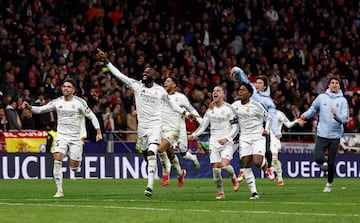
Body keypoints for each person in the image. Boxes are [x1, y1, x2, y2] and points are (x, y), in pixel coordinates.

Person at [96, 48, 193, 197]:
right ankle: (177, 172)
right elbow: (119, 75)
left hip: (156, 127)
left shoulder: (160, 90)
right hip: (142, 129)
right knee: (147, 156)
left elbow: (172, 104)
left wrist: (184, 113)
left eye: (148, 72)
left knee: (152, 152)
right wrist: (107, 61)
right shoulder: (137, 86)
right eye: (144, 72)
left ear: (154, 76)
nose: (144, 74)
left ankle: (150, 186)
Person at [23, 78, 103, 197]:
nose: (65, 88)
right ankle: (59, 190)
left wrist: (98, 132)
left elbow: (92, 116)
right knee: (57, 159)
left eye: (68, 87)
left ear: (73, 90)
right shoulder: (57, 102)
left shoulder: (79, 102)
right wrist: (30, 107)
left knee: (74, 167)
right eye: (64, 86)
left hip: (76, 138)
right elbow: (41, 109)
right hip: (62, 136)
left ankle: (75, 166)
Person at [188, 85, 239, 200]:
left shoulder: (229, 109)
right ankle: (220, 192)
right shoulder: (210, 109)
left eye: (218, 91)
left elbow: (236, 127)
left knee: (224, 165)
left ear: (223, 95)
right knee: (216, 170)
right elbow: (203, 125)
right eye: (213, 91)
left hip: (226, 142)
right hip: (214, 142)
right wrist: (194, 135)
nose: (215, 93)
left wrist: (227, 138)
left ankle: (233, 177)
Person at [300, 77, 349, 192]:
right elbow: (313, 109)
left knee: (331, 163)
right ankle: (324, 164)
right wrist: (305, 115)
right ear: (328, 85)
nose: (334, 85)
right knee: (318, 158)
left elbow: (345, 119)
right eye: (332, 83)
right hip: (322, 134)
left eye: (337, 83)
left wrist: (336, 116)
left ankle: (329, 184)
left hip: (335, 136)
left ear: (339, 86)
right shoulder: (321, 98)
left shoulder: (343, 101)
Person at [230, 66, 279, 179]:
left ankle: (268, 167)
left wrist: (276, 132)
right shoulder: (251, 92)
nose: (257, 85)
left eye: (260, 83)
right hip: (248, 123)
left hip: (263, 126)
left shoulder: (268, 101)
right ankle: (242, 170)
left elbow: (272, 116)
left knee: (266, 150)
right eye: (256, 83)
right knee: (244, 149)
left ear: (265, 86)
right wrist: (237, 70)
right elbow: (244, 80)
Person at [231, 82, 272, 200]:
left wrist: (266, 130)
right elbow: (227, 114)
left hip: (257, 137)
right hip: (244, 138)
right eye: (239, 90)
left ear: (249, 93)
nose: (240, 92)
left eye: (243, 90)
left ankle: (266, 166)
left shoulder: (256, 106)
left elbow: (268, 117)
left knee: (257, 162)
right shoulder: (235, 105)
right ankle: (254, 192)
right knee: (246, 164)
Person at [159, 77, 201, 187]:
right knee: (168, 151)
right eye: (165, 81)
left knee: (183, 153)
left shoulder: (180, 97)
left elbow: (191, 109)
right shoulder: (160, 96)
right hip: (165, 129)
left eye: (168, 81)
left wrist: (200, 121)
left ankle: (192, 159)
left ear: (174, 85)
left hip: (179, 129)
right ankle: (169, 174)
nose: (165, 83)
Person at [270, 109, 305, 186]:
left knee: (274, 159)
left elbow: (288, 124)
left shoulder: (279, 114)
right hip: (263, 139)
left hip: (275, 139)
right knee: (264, 159)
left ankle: (279, 177)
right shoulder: (262, 112)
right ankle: (269, 171)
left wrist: (296, 121)